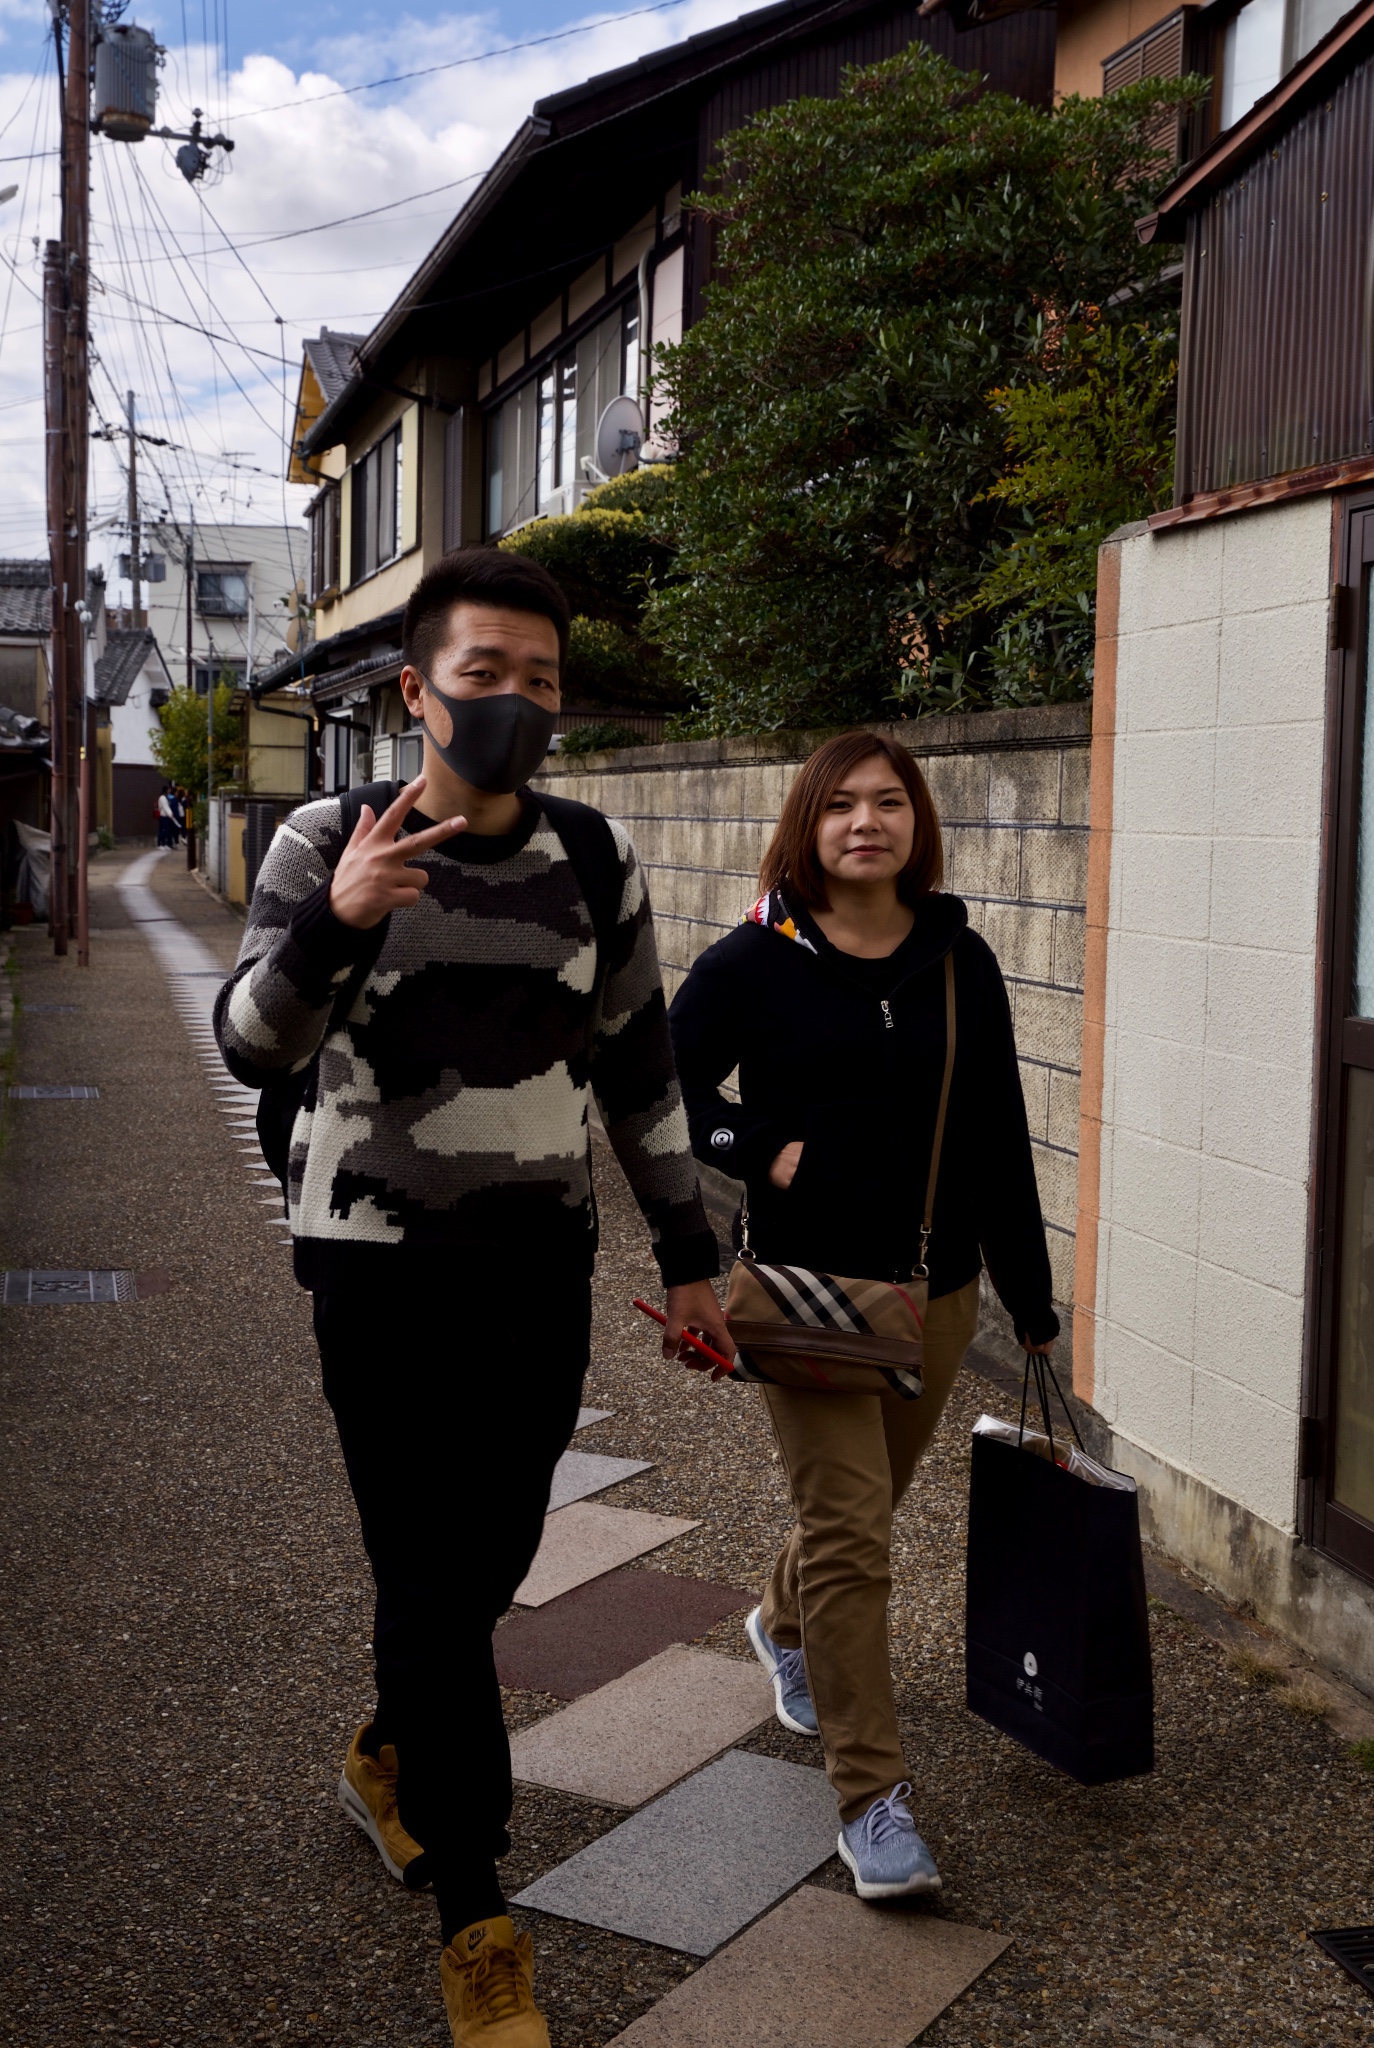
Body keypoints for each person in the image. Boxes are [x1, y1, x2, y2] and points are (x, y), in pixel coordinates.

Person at [214, 547, 730, 2047]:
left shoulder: (591, 856)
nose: (513, 702)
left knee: (491, 1558)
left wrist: (689, 1258)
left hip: (538, 1264)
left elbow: (639, 1069)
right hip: (372, 1268)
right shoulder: (327, 837)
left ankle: (392, 1750)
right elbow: (253, 1042)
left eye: (540, 682)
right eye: (483, 675)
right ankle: (476, 1907)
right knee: (428, 1581)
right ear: (414, 692)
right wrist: (344, 915)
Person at [667, 730, 1058, 1902]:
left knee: (866, 1505)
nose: (865, 823)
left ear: (916, 823)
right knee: (856, 1535)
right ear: (809, 824)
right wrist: (757, 1151)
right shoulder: (755, 958)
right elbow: (660, 1088)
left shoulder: (959, 958)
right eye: (839, 805)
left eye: (888, 802)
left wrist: (1029, 1295)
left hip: (937, 1289)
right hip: (807, 1290)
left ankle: (782, 1622)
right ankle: (871, 1797)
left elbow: (995, 1130)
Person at [156, 782, 177, 848]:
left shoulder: (164, 797)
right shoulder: (163, 798)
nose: (169, 790)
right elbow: (165, 807)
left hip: (165, 815)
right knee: (163, 830)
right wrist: (170, 814)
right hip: (164, 816)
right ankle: (160, 844)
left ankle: (163, 844)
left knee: (164, 830)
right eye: (168, 789)